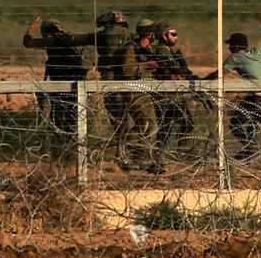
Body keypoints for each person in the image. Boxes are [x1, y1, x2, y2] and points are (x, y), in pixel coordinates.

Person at [207, 17, 261, 160]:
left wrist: (201, 82)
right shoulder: (257, 51)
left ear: (237, 46)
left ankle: (251, 150)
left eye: (231, 45)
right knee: (251, 128)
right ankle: (250, 152)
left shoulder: (236, 57)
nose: (229, 48)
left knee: (235, 124)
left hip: (258, 97)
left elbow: (219, 73)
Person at [22, 16, 93, 148]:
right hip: (77, 84)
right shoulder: (70, 40)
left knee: (58, 118)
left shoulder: (53, 40)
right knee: (75, 118)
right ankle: (74, 147)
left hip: (60, 85)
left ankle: (61, 147)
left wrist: (30, 30)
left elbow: (29, 43)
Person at [116, 19, 161, 172]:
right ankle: (128, 152)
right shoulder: (131, 48)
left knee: (152, 126)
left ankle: (141, 158)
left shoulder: (147, 48)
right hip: (133, 91)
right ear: (149, 34)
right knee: (145, 124)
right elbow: (126, 70)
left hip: (145, 91)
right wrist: (146, 65)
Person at [151, 21, 197, 160]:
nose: (176, 37)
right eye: (173, 34)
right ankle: (178, 153)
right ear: (164, 36)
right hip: (167, 93)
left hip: (170, 93)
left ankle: (160, 155)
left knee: (167, 126)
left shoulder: (167, 50)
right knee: (185, 122)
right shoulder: (162, 50)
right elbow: (164, 70)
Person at [94, 10, 132, 163]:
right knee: (125, 117)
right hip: (127, 78)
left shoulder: (100, 36)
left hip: (109, 78)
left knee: (117, 116)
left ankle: (122, 151)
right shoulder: (129, 37)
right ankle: (124, 152)